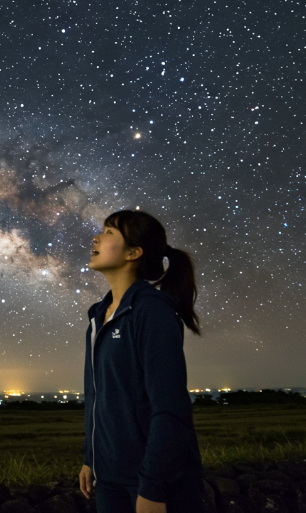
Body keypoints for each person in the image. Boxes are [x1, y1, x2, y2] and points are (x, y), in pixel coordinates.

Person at [79, 209, 205, 513]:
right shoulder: (99, 316)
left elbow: (170, 408)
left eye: (109, 232)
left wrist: (152, 486)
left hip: (152, 482)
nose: (96, 237)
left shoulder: (152, 312)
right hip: (109, 476)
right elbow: (98, 397)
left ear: (134, 252)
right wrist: (90, 458)